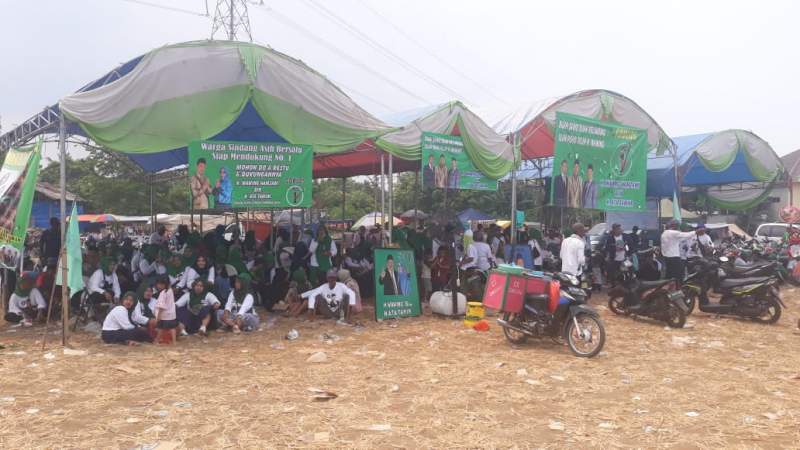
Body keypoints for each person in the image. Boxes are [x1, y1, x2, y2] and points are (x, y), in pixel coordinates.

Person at [154, 276, 180, 344]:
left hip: (163, 315)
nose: (159, 286)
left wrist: (158, 316)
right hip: (171, 314)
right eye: (158, 284)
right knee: (172, 328)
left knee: (160, 328)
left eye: (161, 284)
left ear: (165, 284)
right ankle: (174, 341)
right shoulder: (170, 290)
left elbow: (161, 306)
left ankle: (157, 340)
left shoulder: (163, 293)